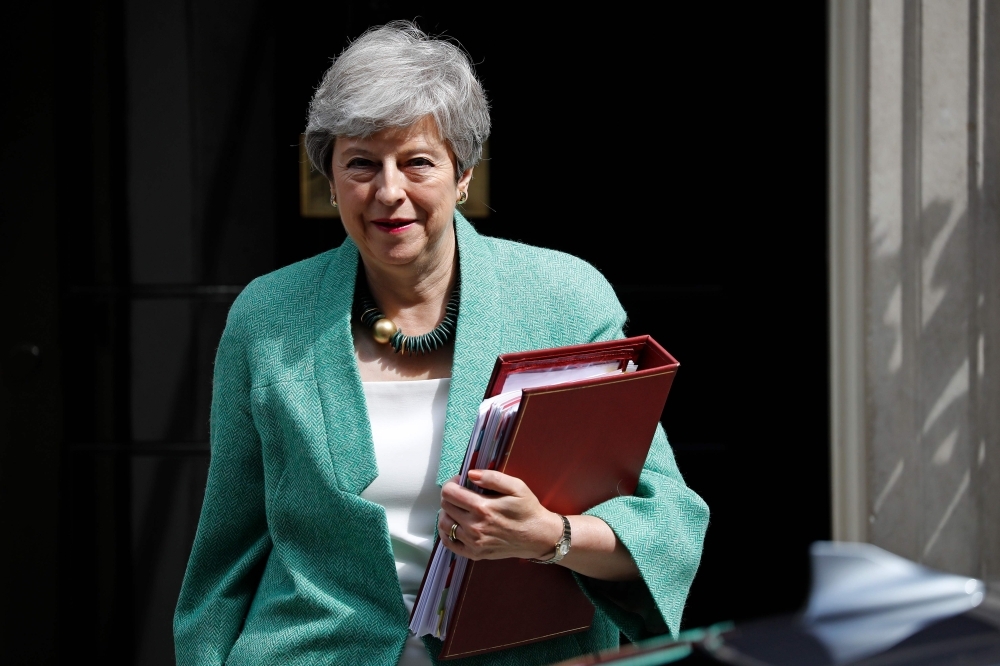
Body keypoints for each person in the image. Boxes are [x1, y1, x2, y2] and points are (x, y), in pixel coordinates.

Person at [174, 21, 708, 666]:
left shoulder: (564, 300)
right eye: (361, 164)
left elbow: (667, 523)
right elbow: (226, 553)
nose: (388, 191)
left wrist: (548, 536)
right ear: (331, 177)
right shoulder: (268, 316)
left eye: (417, 161)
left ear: (463, 174)